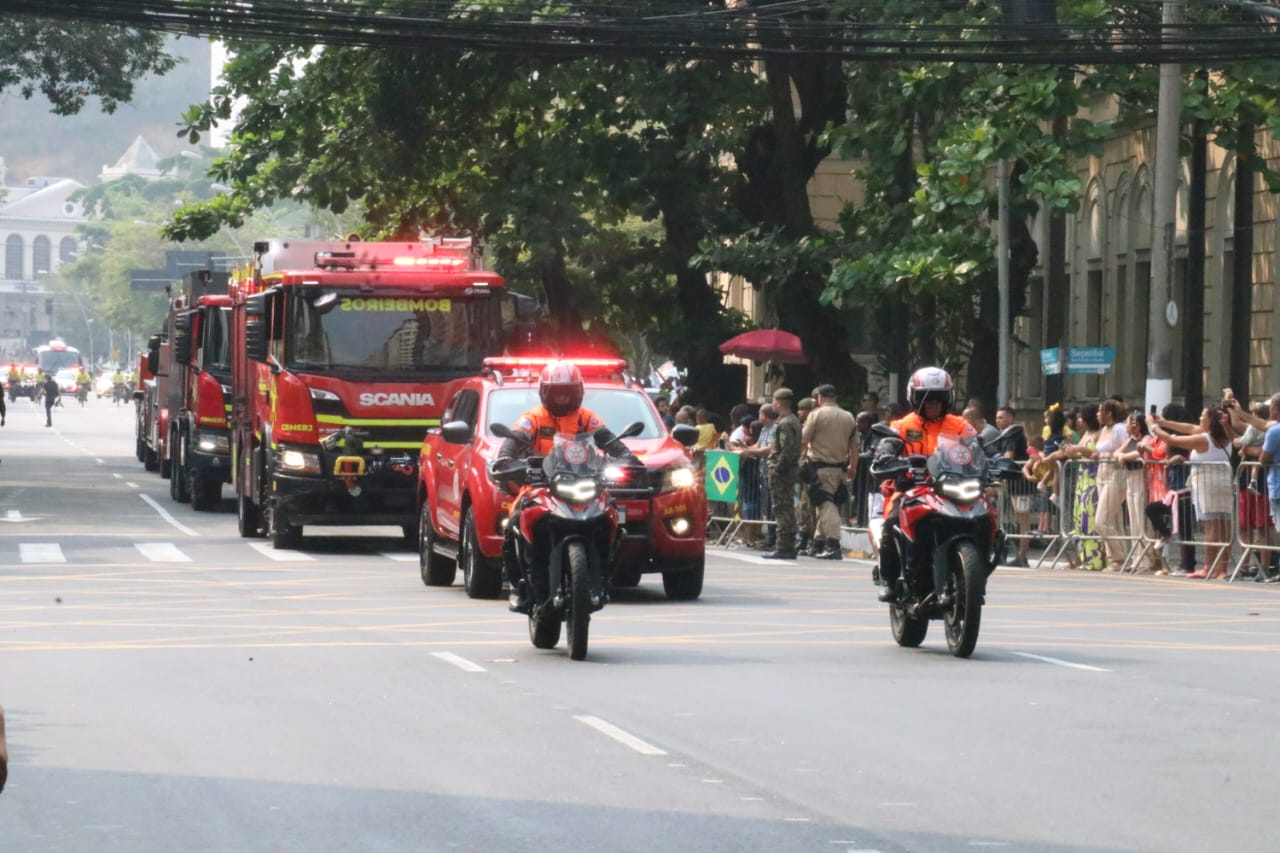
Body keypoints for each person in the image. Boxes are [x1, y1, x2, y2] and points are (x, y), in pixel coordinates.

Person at [495, 361, 606, 612]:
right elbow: (515, 439)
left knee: (611, 518)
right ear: (545, 391)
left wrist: (626, 457)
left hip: (583, 485)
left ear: (578, 391)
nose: (563, 396)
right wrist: (506, 457)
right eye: (557, 391)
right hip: (541, 486)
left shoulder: (587, 418)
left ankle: (604, 577)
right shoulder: (532, 418)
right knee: (513, 524)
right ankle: (517, 586)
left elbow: (606, 438)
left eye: (567, 390)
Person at [875, 366, 974, 601]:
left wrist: (993, 458)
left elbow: (976, 446)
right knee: (891, 522)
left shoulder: (960, 424)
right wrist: (886, 454)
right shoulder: (902, 426)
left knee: (984, 513)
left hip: (952, 488)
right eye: (926, 399)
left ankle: (977, 563)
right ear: (915, 398)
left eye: (939, 399)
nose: (933, 404)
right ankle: (888, 578)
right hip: (912, 488)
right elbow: (888, 443)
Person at [1149, 405, 1235, 578]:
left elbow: (1171, 440)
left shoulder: (1203, 439)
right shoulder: (1226, 436)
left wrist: (1153, 426)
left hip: (1206, 483)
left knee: (1210, 527)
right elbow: (1187, 428)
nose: (1200, 418)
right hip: (1224, 482)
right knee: (1223, 526)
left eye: (1203, 415)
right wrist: (1164, 421)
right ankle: (1223, 568)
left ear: (1210, 421)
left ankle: (1208, 567)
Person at [801, 384, 856, 559]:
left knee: (825, 504)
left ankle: (833, 543)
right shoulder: (848, 416)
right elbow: (855, 446)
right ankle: (819, 542)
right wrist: (853, 467)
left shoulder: (816, 415)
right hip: (839, 467)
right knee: (823, 505)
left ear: (819, 397)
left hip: (820, 467)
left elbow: (803, 440)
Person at [763, 388, 802, 560]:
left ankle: (783, 546)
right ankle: (788, 544)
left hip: (783, 472)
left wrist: (777, 469)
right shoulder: (792, 420)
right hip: (788, 471)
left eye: (773, 402)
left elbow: (787, 450)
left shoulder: (786, 423)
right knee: (786, 508)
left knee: (782, 508)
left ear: (778, 403)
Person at [1092, 398, 1130, 570]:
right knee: (1113, 519)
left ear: (1109, 413)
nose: (1097, 414)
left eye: (1100, 411)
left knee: (1102, 520)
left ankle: (1119, 557)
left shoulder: (1119, 429)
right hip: (1102, 472)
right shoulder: (1103, 430)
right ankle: (1115, 558)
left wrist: (1109, 456)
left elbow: (1127, 448)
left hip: (1117, 473)